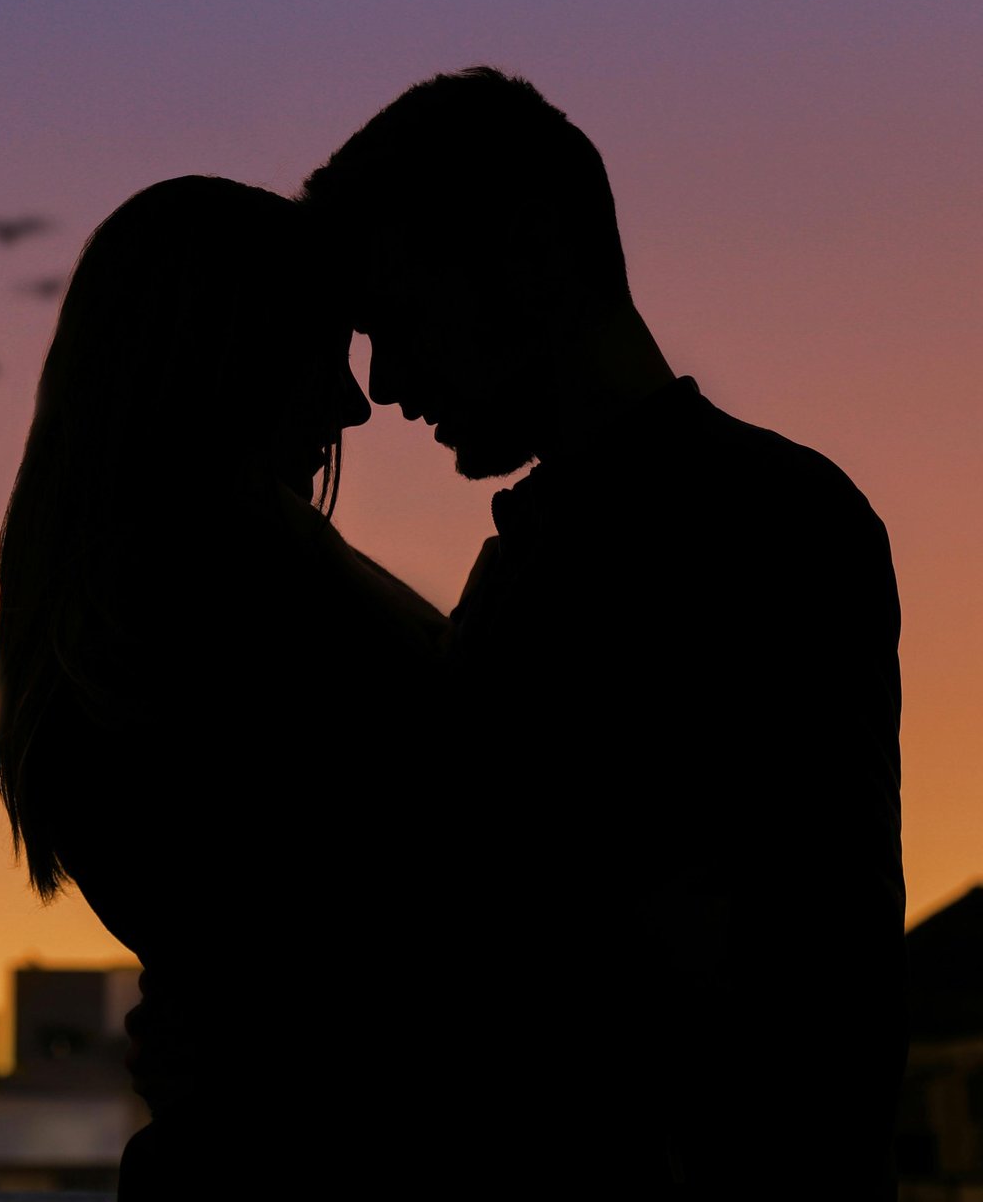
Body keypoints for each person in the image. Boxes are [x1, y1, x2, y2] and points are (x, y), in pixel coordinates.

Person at [302, 67, 905, 1196]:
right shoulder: (558, 551)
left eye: (400, 319)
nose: (383, 387)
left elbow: (805, 987)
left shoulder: (763, 524)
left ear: (528, 253)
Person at [0, 175, 445, 1196]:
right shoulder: (250, 604)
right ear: (224, 364)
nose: (353, 404)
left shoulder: (103, 638)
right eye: (319, 355)